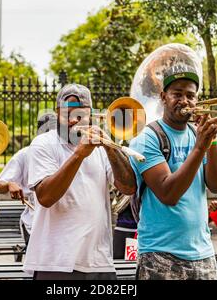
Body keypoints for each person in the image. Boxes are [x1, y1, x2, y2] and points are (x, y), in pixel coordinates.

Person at [129, 45, 217, 280]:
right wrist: (200, 147)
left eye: (191, 95)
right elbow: (168, 193)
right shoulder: (147, 138)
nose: (185, 100)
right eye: (177, 93)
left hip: (203, 253)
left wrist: (211, 142)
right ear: (163, 97)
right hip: (161, 255)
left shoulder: (198, 135)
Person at [24, 83, 137, 280]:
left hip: (99, 261)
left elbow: (128, 187)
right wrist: (79, 155)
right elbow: (46, 197)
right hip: (55, 262)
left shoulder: (102, 147)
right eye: (67, 114)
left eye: (81, 115)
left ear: (91, 115)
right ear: (57, 113)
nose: (74, 120)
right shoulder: (43, 144)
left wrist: (111, 148)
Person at [0, 112, 57, 245]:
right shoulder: (24, 154)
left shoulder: (66, 152)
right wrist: (9, 184)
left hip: (61, 225)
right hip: (34, 224)